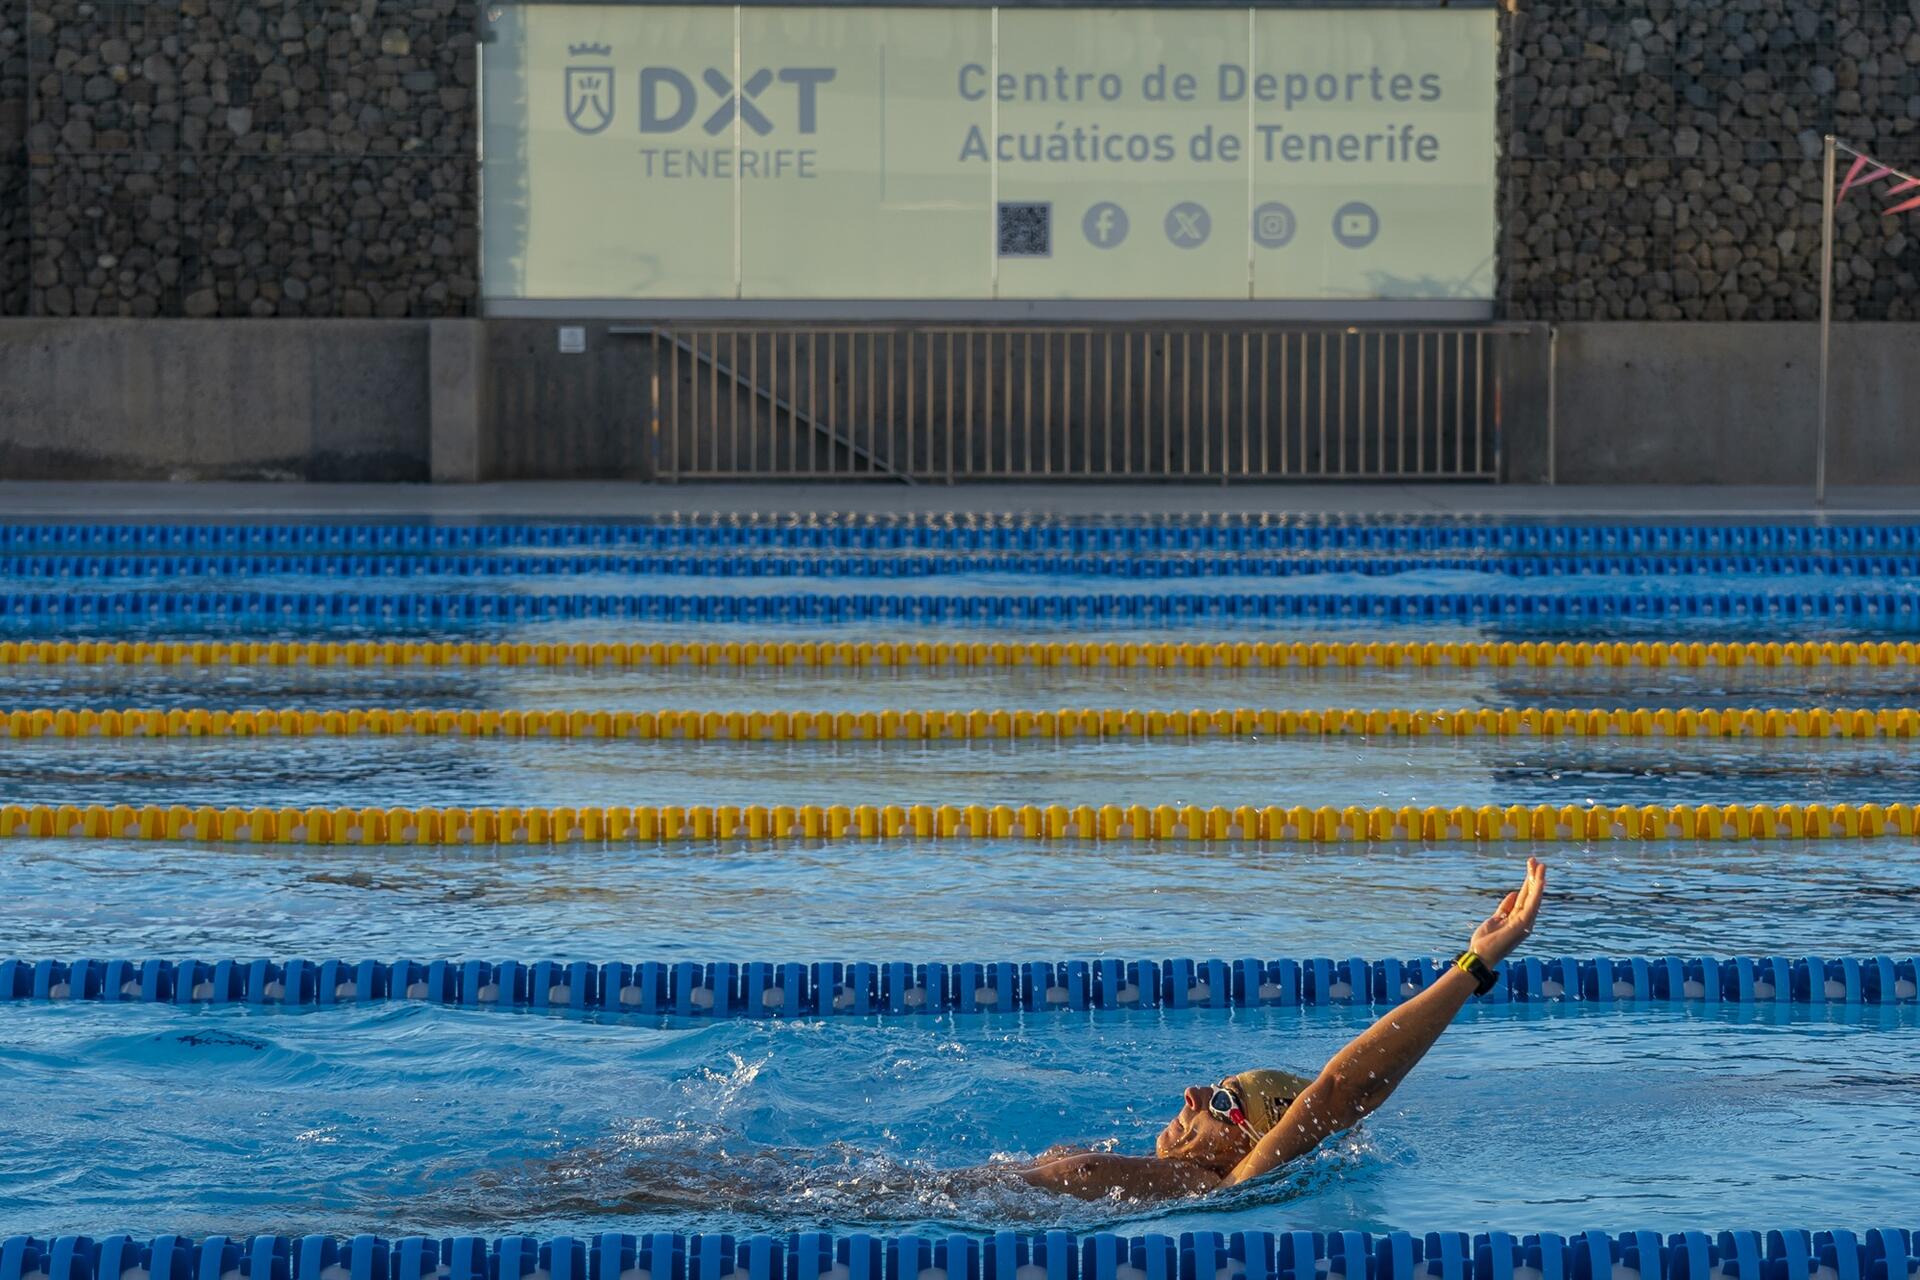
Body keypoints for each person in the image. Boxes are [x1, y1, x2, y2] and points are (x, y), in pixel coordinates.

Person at [1016, 857, 1548, 1200]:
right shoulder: (1159, 1177)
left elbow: (1341, 1090)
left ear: (1251, 1145)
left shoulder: (1219, 1184)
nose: (1194, 1095)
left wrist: (1473, 964)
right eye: (1214, 1090)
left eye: (1223, 1104)